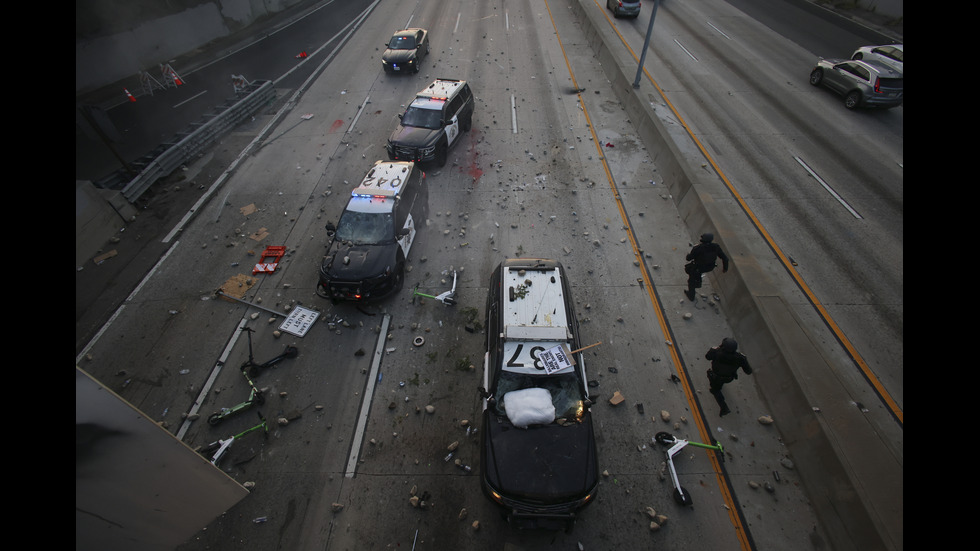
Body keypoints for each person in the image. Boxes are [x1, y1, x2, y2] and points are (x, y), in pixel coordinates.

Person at [705, 338, 752, 417]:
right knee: (720, 383)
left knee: (715, 390)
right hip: (729, 378)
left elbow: (707, 357)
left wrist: (712, 349)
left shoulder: (717, 352)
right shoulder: (740, 358)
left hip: (716, 377)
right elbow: (748, 371)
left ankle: (724, 407)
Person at [684, 233, 729, 301]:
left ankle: (691, 295)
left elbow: (689, 258)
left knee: (691, 281)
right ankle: (698, 282)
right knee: (697, 274)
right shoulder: (716, 247)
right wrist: (725, 268)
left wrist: (689, 254)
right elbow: (725, 258)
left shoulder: (698, 248)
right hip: (709, 267)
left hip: (698, 267)